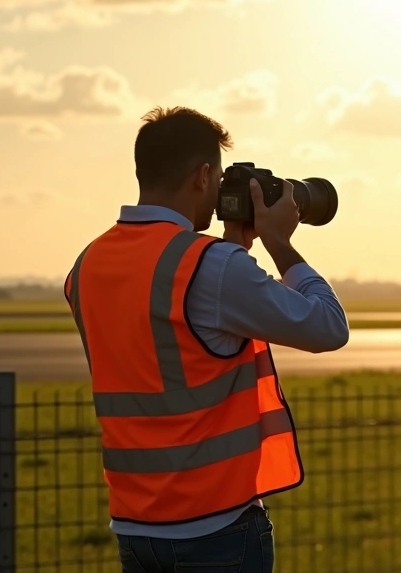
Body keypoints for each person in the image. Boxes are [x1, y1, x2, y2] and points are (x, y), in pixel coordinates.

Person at [63, 106, 350, 572]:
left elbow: (184, 341)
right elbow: (328, 327)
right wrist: (279, 242)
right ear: (202, 176)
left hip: (136, 527)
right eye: (217, 178)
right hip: (216, 530)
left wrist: (234, 243)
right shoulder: (209, 266)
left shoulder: (88, 265)